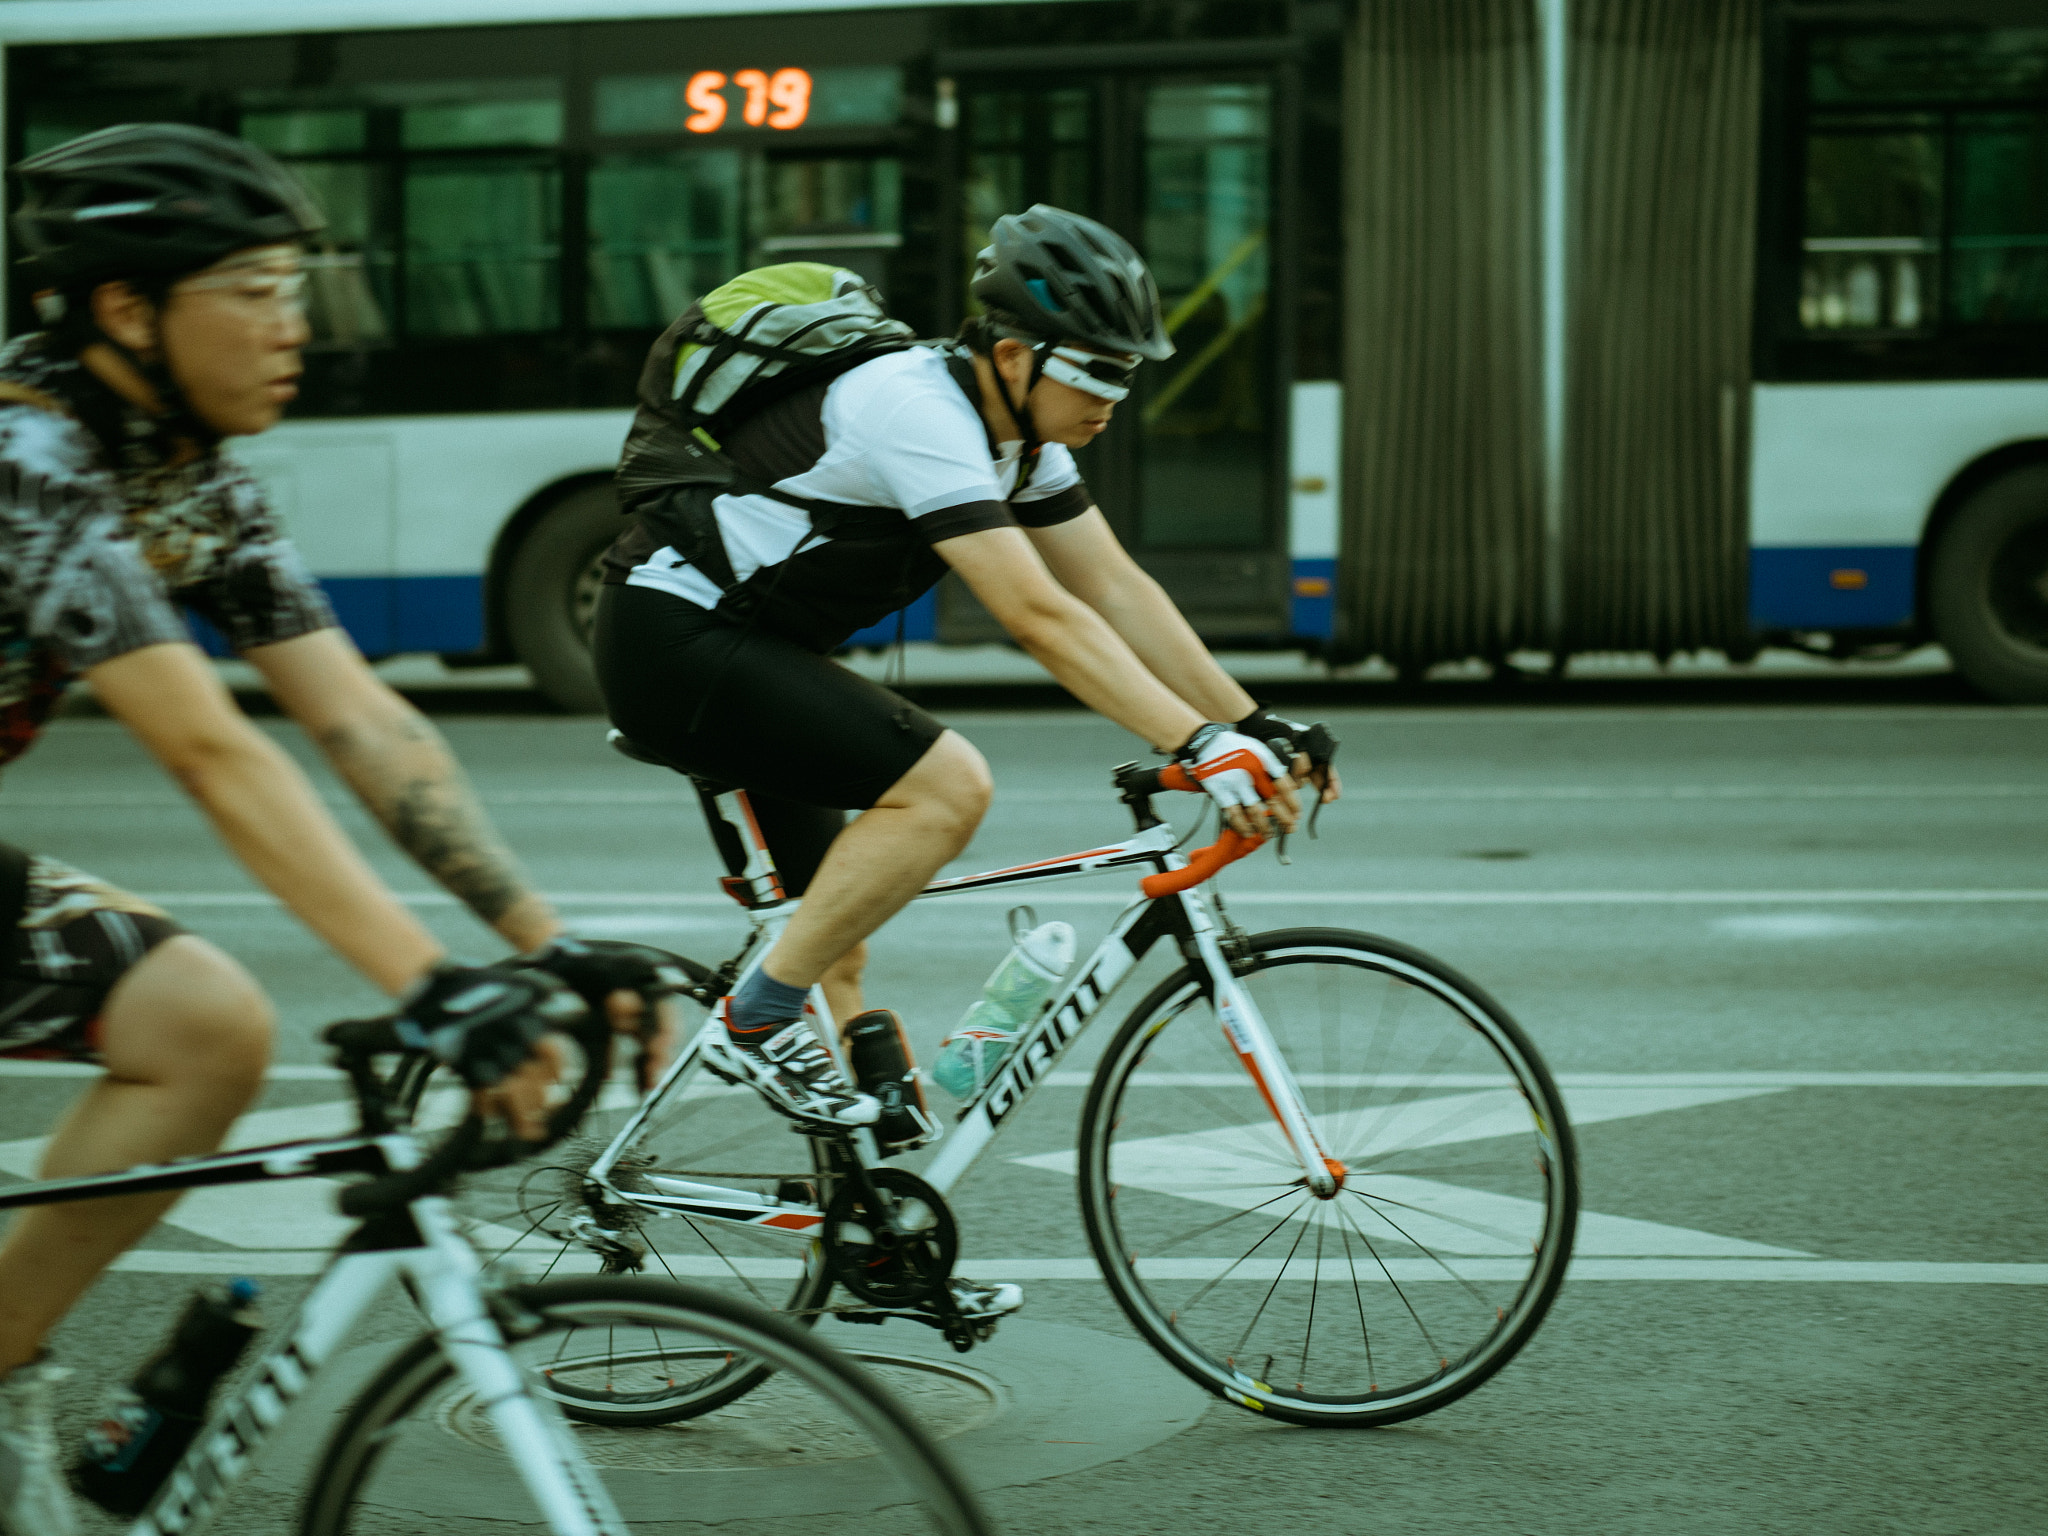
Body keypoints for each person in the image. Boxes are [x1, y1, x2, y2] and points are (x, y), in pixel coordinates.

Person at [0, 125, 675, 1536]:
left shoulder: (193, 473)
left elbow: (364, 725)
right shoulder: (28, 457)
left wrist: (547, 943)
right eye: (252, 287)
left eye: (299, 284)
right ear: (127, 308)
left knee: (200, 1028)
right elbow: (211, 749)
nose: (291, 323)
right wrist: (430, 990)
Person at [594, 204, 1340, 1320]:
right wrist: (1188, 742)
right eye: (1093, 372)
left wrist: (1255, 721)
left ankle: (873, 1245)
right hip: (675, 638)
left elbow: (1114, 588)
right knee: (947, 787)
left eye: (1127, 377)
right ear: (1009, 353)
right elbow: (1036, 614)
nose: (1109, 400)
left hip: (752, 647)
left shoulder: (1018, 437)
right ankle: (753, 1023)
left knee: (831, 941)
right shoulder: (908, 403)